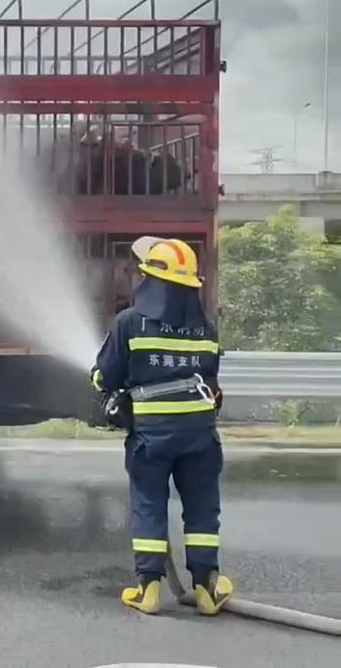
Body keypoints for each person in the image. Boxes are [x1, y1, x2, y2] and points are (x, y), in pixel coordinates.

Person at [91, 237, 234, 616]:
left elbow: (104, 377)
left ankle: (148, 589)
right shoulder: (206, 329)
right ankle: (207, 588)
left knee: (148, 504)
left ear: (149, 280)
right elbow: (212, 380)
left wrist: (101, 384)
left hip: (151, 438)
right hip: (200, 436)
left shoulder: (130, 323)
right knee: (202, 509)